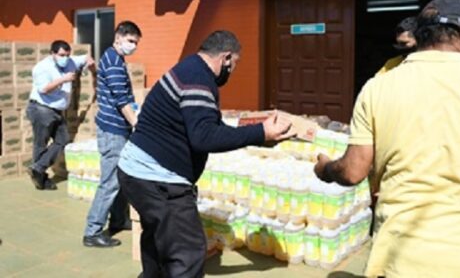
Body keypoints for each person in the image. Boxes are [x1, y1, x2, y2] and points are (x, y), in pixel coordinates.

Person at [314, 0, 460, 278]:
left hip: (401, 259)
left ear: (418, 36)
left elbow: (353, 171)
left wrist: (325, 168)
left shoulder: (378, 88)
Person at [117, 30, 292, 278]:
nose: (232, 71)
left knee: (158, 241)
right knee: (187, 254)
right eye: (235, 65)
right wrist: (261, 132)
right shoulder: (198, 80)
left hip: (136, 173)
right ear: (226, 58)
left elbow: (210, 125)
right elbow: (204, 137)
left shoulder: (190, 68)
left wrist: (259, 135)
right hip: (158, 181)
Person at [83, 21, 142, 248]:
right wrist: (137, 123)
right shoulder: (114, 63)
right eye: (130, 41)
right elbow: (122, 100)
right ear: (118, 38)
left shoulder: (111, 57)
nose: (133, 46)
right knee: (109, 182)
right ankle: (92, 231)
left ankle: (118, 219)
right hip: (113, 130)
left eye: (136, 42)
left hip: (115, 128)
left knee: (121, 177)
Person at [27, 40, 94, 190]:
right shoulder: (42, 68)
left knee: (63, 139)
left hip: (57, 111)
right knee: (41, 144)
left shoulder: (69, 62)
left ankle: (38, 168)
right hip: (41, 109)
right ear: (52, 54)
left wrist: (91, 66)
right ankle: (41, 178)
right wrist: (63, 79)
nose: (65, 58)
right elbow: (44, 89)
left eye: (67, 55)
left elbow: (86, 57)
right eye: (62, 55)